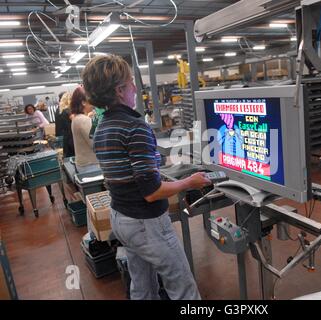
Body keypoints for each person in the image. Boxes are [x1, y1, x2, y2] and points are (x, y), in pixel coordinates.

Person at [82, 54, 211, 300]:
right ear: (120, 90)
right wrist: (189, 182)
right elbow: (151, 192)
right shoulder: (135, 126)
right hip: (146, 223)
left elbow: (125, 173)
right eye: (131, 82)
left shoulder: (101, 127)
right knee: (183, 289)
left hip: (120, 218)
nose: (134, 87)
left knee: (142, 288)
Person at [70, 86, 99, 174]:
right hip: (90, 165)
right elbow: (94, 143)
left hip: (84, 164)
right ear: (83, 102)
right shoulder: (83, 120)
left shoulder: (76, 118)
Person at [55, 92, 75, 158]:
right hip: (71, 138)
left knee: (68, 157)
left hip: (65, 138)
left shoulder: (60, 110)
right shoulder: (69, 111)